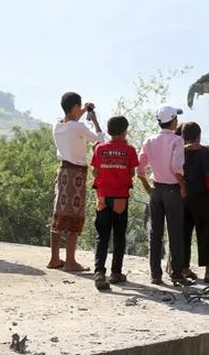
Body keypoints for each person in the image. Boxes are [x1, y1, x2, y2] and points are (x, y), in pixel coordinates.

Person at [49, 92, 105, 271]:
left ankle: (55, 258)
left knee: (59, 212)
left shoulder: (57, 126)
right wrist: (94, 120)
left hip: (63, 171)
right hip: (77, 174)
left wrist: (81, 111)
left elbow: (71, 122)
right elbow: (99, 140)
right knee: (74, 213)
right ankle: (71, 261)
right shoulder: (78, 127)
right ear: (74, 107)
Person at [137, 105, 192, 286]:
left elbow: (140, 168)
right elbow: (177, 167)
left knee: (155, 233)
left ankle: (155, 274)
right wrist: (182, 185)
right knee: (175, 232)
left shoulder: (149, 140)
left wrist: (147, 186)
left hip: (157, 189)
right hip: (172, 190)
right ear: (174, 121)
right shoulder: (177, 141)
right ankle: (176, 273)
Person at [90, 115, 139, 291]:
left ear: (109, 131)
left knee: (101, 236)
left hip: (102, 197)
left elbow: (95, 173)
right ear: (125, 131)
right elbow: (132, 174)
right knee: (118, 236)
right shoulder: (130, 150)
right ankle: (116, 272)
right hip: (120, 198)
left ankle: (99, 273)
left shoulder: (100, 149)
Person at [180, 122, 209, 283]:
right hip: (200, 195)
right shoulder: (203, 153)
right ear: (199, 135)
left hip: (182, 195)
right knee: (204, 232)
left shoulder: (179, 152)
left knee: (184, 232)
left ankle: (184, 268)